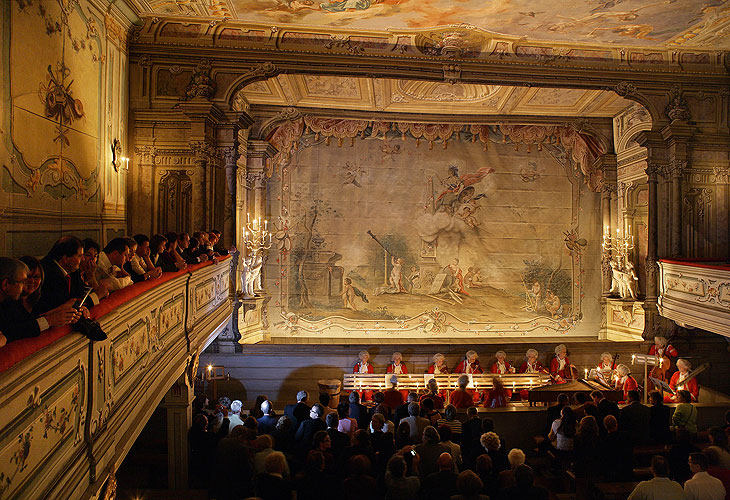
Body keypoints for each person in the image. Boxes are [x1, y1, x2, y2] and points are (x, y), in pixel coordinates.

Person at [0, 258, 80, 344]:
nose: (26, 285)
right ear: (5, 284)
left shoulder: (40, 299)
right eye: (23, 281)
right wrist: (50, 320)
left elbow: (29, 321)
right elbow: (16, 330)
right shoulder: (8, 304)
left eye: (36, 277)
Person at [36, 236, 102, 315]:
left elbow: (78, 298)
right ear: (65, 258)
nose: (83, 259)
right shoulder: (49, 274)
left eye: (95, 256)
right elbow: (65, 305)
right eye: (79, 256)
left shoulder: (66, 271)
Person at [601, 414, 634, 482]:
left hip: (612, 471)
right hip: (626, 469)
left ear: (605, 426)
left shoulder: (605, 441)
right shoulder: (626, 436)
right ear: (616, 424)